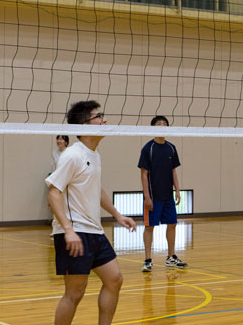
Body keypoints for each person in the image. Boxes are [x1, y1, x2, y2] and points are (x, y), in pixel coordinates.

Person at [46, 100, 137, 325]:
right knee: (75, 293)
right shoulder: (72, 155)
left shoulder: (93, 154)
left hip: (94, 231)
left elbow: (96, 189)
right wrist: (68, 230)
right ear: (85, 125)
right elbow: (53, 193)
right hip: (75, 232)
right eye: (99, 116)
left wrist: (117, 214)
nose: (104, 120)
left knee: (114, 279)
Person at [138, 115, 187, 272]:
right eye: (159, 124)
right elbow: (144, 174)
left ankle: (171, 257)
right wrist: (147, 196)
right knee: (149, 227)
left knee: (172, 224)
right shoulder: (148, 148)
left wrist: (177, 190)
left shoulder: (171, 148)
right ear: (153, 128)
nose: (162, 126)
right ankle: (147, 260)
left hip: (168, 196)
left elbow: (173, 171)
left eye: (165, 124)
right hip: (153, 196)